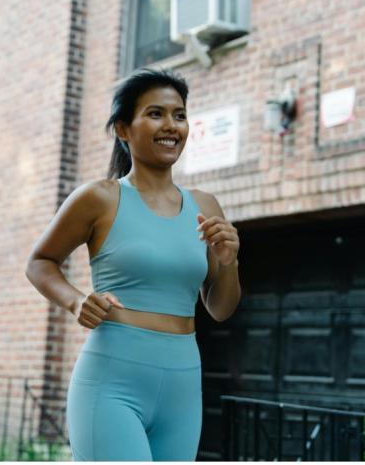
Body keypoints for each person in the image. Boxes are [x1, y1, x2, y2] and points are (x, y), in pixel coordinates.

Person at [26, 68, 241, 461]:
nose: (171, 125)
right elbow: (40, 262)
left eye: (179, 115)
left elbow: (220, 309)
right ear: (123, 129)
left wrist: (229, 262)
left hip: (183, 384)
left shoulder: (205, 206)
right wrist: (76, 301)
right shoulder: (99, 198)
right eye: (155, 114)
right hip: (111, 381)